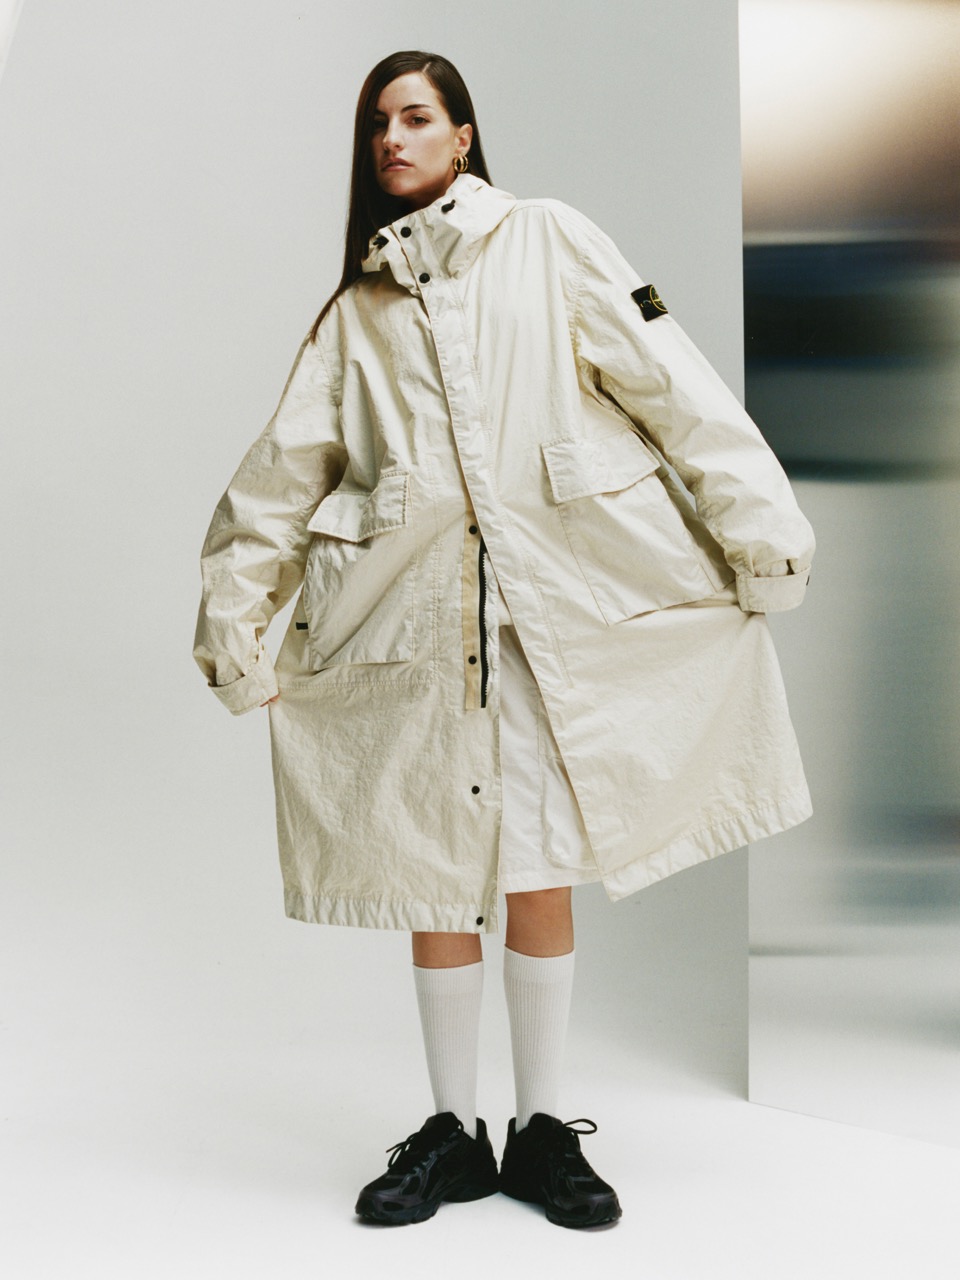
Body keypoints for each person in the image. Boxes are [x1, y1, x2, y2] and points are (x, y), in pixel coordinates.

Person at [193, 50, 815, 1230]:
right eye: (378, 124)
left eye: (416, 117)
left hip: (549, 621)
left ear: (464, 135)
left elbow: (671, 386)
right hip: (412, 633)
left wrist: (764, 534)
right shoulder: (356, 314)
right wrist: (236, 629)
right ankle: (450, 1129)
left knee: (535, 862)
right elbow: (276, 481)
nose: (392, 139)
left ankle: (540, 1129)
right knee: (432, 865)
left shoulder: (550, 240)